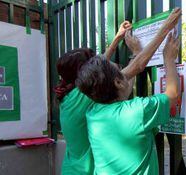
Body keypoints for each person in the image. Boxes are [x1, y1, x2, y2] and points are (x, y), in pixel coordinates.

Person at [76, 8, 181, 175]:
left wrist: (137, 52)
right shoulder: (137, 111)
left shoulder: (93, 112)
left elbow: (134, 69)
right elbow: (173, 95)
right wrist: (168, 58)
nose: (125, 69)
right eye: (119, 68)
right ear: (117, 82)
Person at [55, 21, 139, 175]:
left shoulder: (70, 95)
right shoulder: (80, 95)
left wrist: (116, 39)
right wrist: (136, 53)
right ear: (82, 73)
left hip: (71, 169)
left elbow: (100, 64)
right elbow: (125, 77)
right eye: (91, 61)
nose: (96, 62)